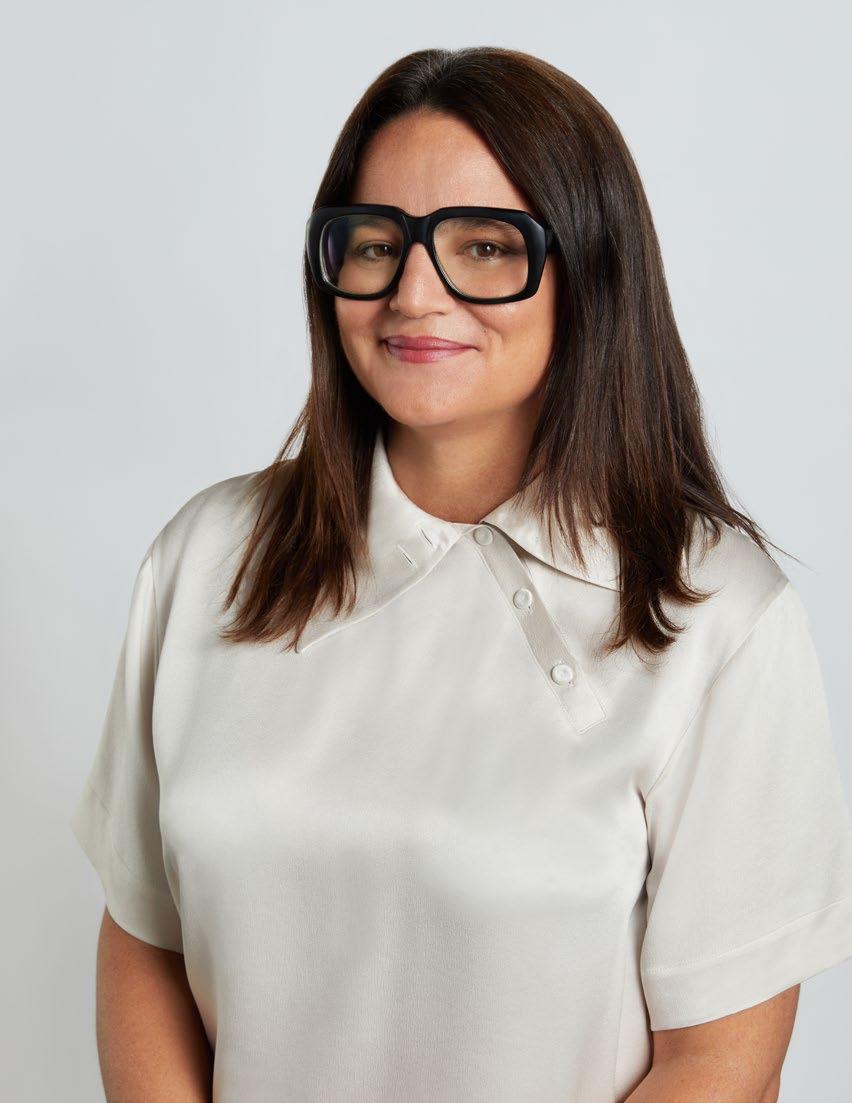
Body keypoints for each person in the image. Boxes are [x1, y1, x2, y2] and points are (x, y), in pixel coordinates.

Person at [70, 46, 852, 1103]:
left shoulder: (717, 613)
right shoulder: (208, 557)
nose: (414, 292)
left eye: (484, 246)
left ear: (591, 266)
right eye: (375, 242)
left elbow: (720, 1061)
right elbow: (144, 937)